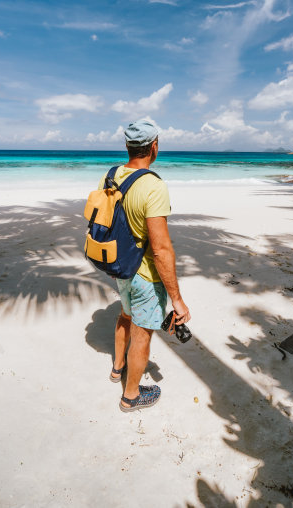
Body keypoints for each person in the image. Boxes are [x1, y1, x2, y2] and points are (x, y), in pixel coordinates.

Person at [99, 119, 191, 412]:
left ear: (127, 146)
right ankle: (131, 396)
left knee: (125, 315)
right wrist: (176, 300)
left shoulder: (110, 175)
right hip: (145, 275)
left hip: (119, 266)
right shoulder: (152, 185)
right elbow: (162, 249)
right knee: (142, 333)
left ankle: (117, 368)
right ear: (154, 147)